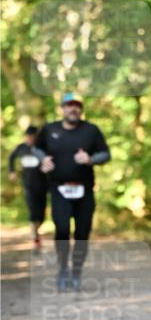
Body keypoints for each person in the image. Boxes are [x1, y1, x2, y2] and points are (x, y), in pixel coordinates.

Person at [36, 93, 111, 291]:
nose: (73, 109)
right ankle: (62, 270)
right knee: (61, 230)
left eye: (77, 105)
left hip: (84, 190)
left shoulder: (91, 130)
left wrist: (91, 159)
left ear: (81, 109)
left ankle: (76, 272)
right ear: (62, 108)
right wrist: (42, 160)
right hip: (59, 189)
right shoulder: (49, 129)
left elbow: (106, 154)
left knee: (82, 233)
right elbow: (36, 149)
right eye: (69, 105)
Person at [8, 125, 49, 249]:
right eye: (28, 136)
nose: (30, 139)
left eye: (33, 136)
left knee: (41, 213)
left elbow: (50, 161)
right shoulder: (21, 148)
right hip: (28, 184)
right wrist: (12, 171)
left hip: (42, 185)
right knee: (32, 210)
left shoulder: (42, 148)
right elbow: (11, 157)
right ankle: (35, 236)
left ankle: (37, 231)